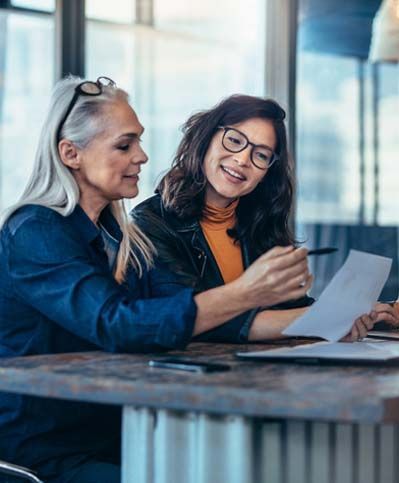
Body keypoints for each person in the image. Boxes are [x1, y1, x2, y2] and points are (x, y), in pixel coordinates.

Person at [0, 79, 313, 483]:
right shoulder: (34, 231)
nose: (142, 157)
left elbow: (183, 308)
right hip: (47, 450)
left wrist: (335, 319)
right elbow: (119, 323)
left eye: (139, 143)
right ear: (71, 153)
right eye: (124, 145)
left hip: (115, 434)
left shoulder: (120, 237)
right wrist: (246, 291)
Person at [131, 94, 399, 343]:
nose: (242, 160)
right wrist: (328, 319)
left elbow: (295, 311)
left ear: (267, 173)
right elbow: (197, 319)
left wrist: (394, 312)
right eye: (234, 140)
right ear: (206, 138)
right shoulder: (151, 223)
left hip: (262, 378)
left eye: (261, 155)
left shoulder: (258, 224)